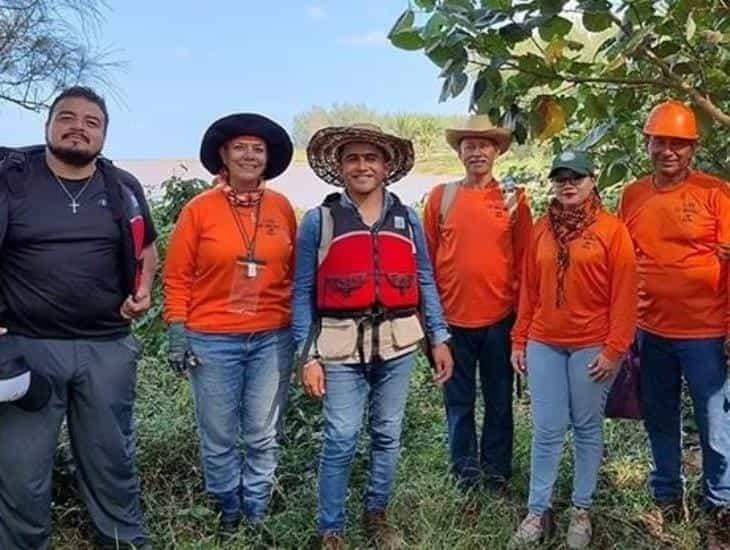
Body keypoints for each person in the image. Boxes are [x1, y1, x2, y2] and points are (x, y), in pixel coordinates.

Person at [0, 86, 158, 550]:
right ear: (48, 125)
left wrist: (144, 289)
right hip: (27, 347)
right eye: (67, 117)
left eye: (92, 122)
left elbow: (147, 248)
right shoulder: (12, 179)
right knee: (21, 470)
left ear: (104, 134)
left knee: (112, 460)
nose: (78, 127)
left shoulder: (122, 186)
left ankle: (122, 541)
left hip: (106, 346)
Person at [293, 123, 454, 549]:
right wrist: (307, 355)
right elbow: (302, 290)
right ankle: (331, 528)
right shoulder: (319, 220)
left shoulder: (407, 218)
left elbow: (424, 280)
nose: (362, 166)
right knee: (341, 436)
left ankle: (377, 515)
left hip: (399, 343)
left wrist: (438, 336)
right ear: (340, 168)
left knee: (387, 433)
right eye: (353, 158)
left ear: (385, 168)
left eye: (371, 158)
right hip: (340, 346)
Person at [163, 113, 297, 533]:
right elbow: (176, 275)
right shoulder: (199, 209)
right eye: (240, 147)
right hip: (211, 339)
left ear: (267, 158)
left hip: (271, 337)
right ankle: (228, 509)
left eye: (258, 149)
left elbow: (293, 271)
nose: (250, 155)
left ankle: (256, 510)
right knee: (219, 435)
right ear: (223, 154)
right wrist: (177, 331)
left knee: (262, 433)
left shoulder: (281, 207)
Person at [509, 150, 637, 549]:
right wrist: (519, 337)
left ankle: (581, 510)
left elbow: (625, 295)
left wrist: (615, 349)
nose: (568, 184)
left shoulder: (612, 230)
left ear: (592, 180)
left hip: (592, 345)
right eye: (561, 177)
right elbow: (529, 287)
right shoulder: (542, 228)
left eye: (576, 177)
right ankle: (537, 510)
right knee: (547, 428)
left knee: (585, 427)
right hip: (545, 341)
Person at [619, 99, 730, 549]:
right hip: (650, 330)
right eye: (660, 142)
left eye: (679, 144)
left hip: (705, 332)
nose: (669, 151)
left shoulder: (717, 193)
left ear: (693, 149)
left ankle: (719, 505)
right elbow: (622, 260)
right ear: (647, 143)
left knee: (715, 422)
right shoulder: (632, 194)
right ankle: (666, 496)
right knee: (659, 418)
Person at [423, 114, 533, 492]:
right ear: (459, 153)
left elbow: (525, 260)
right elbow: (427, 261)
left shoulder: (513, 197)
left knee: (500, 403)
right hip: (452, 323)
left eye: (484, 144)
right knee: (459, 403)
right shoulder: (442, 197)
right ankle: (465, 475)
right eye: (469, 145)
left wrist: (522, 324)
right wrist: (432, 324)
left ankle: (497, 475)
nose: (476, 152)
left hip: (499, 321)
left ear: (497, 150)